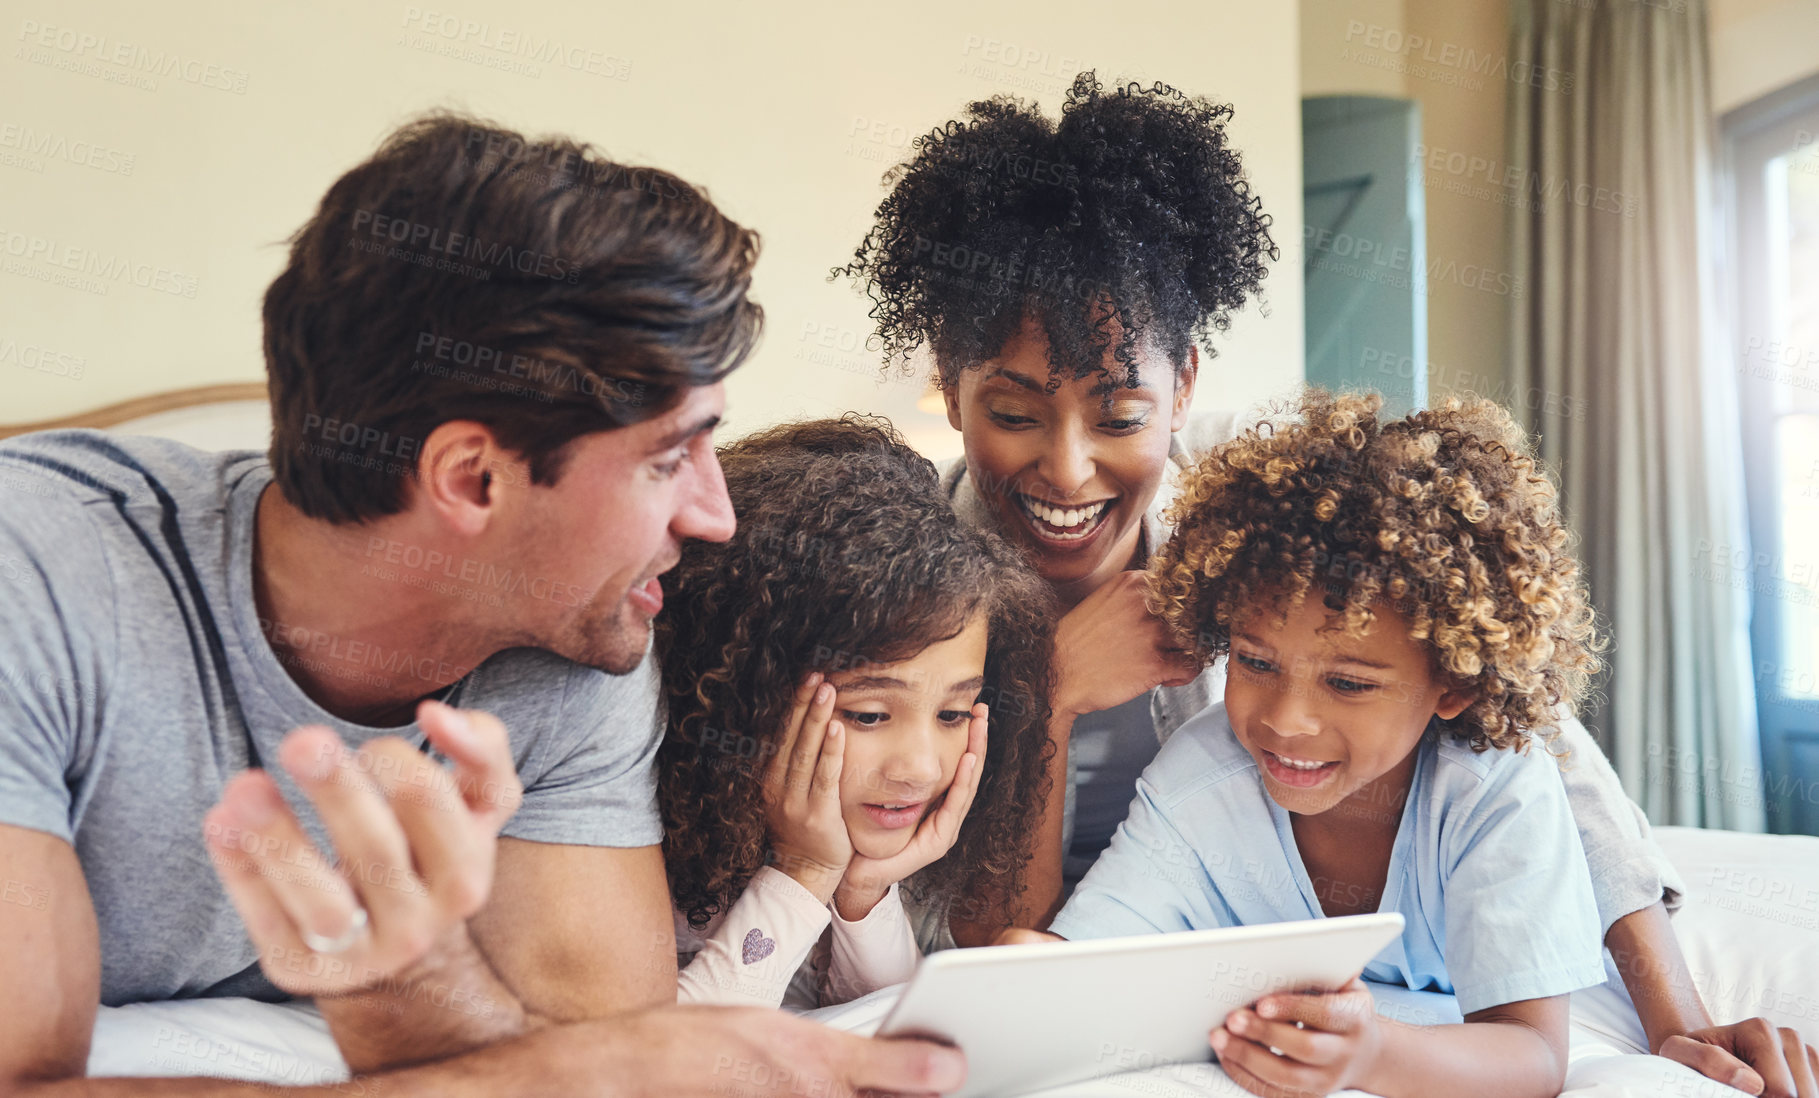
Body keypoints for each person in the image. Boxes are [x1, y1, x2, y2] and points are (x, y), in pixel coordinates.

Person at [836, 71, 1816, 1093]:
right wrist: (1045, 683)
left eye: (1121, 417)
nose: (1069, 470)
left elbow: (1524, 741)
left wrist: (1677, 1024)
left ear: (1185, 388)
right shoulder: (907, 578)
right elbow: (1009, 947)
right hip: (1106, 916)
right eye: (1015, 412)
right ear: (950, 388)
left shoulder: (1249, 514)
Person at [0, 113, 964, 1097]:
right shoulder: (33, 574)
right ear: (470, 480)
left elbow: (596, 1054)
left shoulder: (574, 637)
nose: (715, 515)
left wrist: (403, 983)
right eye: (670, 457)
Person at [1022, 391, 1625, 1096]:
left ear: (1452, 685)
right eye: (1254, 662)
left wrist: (1374, 1055)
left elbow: (1534, 1057)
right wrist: (1027, 972)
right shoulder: (1197, 777)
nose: (1287, 721)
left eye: (1347, 683)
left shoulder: (1495, 790)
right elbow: (1084, 958)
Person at [655, 416, 1055, 1007]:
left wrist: (862, 891)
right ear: (744, 695)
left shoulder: (874, 840)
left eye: (952, 715)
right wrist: (802, 872)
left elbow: (883, 1027)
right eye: (869, 716)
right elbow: (667, 1064)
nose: (920, 770)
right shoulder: (645, 845)